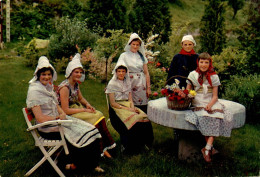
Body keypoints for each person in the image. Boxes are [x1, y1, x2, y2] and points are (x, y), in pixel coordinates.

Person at [26, 56, 105, 172]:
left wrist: (62, 113)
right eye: (43, 74)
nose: (47, 77)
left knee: (91, 129)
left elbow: (56, 105)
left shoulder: (47, 88)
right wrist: (58, 118)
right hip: (47, 128)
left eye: (49, 74)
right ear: (38, 75)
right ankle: (82, 165)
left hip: (57, 121)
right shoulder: (35, 91)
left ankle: (90, 164)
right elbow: (40, 118)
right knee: (83, 133)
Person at [57, 53, 116, 158]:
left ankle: (106, 145)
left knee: (99, 114)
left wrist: (88, 105)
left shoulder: (75, 84)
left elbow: (80, 98)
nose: (79, 74)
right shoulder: (65, 88)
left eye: (80, 72)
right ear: (70, 73)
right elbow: (65, 110)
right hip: (67, 114)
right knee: (94, 118)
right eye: (76, 72)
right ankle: (100, 148)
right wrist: (83, 110)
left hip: (76, 108)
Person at [185, 52, 234, 163]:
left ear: (209, 63)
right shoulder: (193, 74)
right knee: (205, 116)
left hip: (210, 100)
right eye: (201, 62)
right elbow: (187, 91)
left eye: (206, 62)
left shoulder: (214, 76)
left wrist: (210, 105)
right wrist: (188, 96)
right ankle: (209, 148)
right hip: (198, 100)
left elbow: (215, 96)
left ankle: (206, 148)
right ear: (198, 62)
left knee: (218, 117)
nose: (203, 65)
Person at [105, 63, 153, 153]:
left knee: (142, 116)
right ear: (116, 72)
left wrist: (133, 108)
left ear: (126, 72)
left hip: (127, 104)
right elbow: (113, 103)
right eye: (119, 71)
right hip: (117, 106)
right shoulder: (112, 83)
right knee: (133, 119)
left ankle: (142, 143)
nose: (121, 73)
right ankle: (129, 147)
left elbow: (130, 99)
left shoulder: (127, 82)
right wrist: (128, 110)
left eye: (123, 71)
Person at [116, 33, 152, 113]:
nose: (135, 46)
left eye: (137, 45)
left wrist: (148, 88)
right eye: (133, 44)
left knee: (142, 103)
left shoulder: (142, 57)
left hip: (141, 83)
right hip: (129, 81)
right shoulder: (124, 55)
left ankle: (142, 119)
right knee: (129, 102)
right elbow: (118, 70)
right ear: (130, 44)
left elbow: (146, 73)